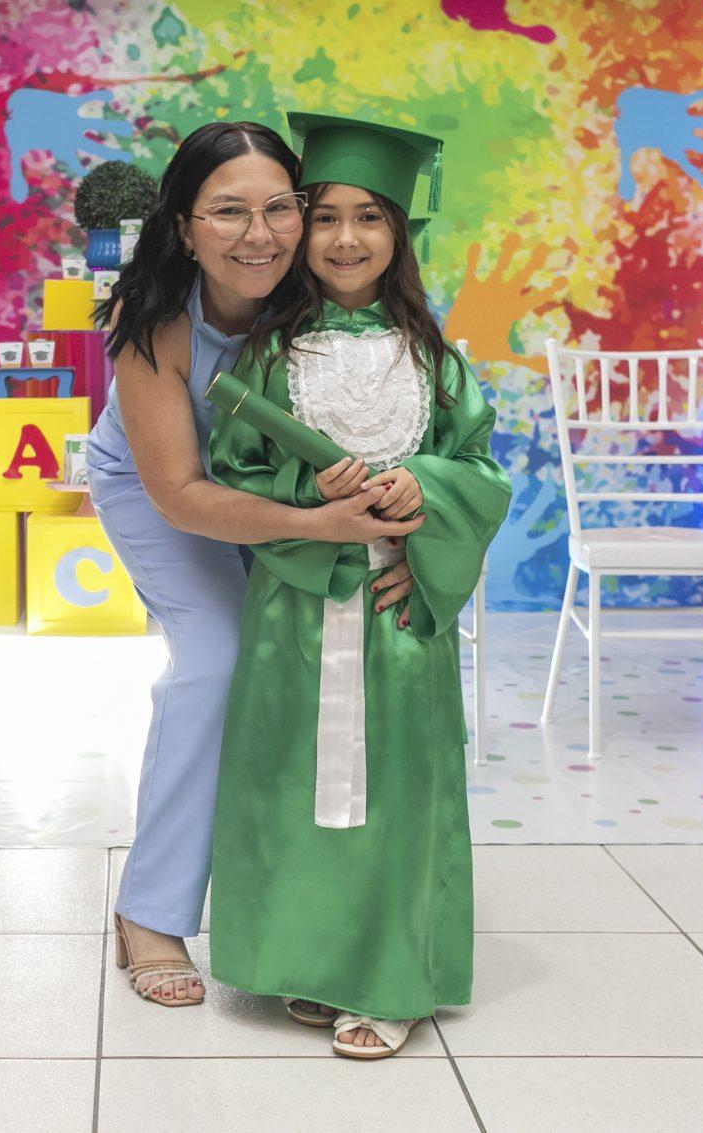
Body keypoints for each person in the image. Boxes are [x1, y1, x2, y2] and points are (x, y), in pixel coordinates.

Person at [87, 121, 429, 1007]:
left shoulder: (322, 294)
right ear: (183, 224)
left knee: (311, 666)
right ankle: (150, 909)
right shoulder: (153, 322)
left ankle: (299, 905)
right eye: (228, 211)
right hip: (164, 492)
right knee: (218, 660)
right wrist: (320, 527)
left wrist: (403, 536)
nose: (260, 234)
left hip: (290, 497)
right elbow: (181, 492)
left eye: (281, 207)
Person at [207, 113, 511, 1058]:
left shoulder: (437, 361)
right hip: (297, 604)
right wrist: (311, 493)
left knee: (398, 793)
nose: (346, 239)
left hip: (395, 604)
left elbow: (481, 470)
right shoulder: (269, 356)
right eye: (327, 217)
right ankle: (315, 958)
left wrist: (426, 491)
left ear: (400, 232)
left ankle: (390, 981)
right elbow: (236, 470)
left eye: (370, 217)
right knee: (290, 782)